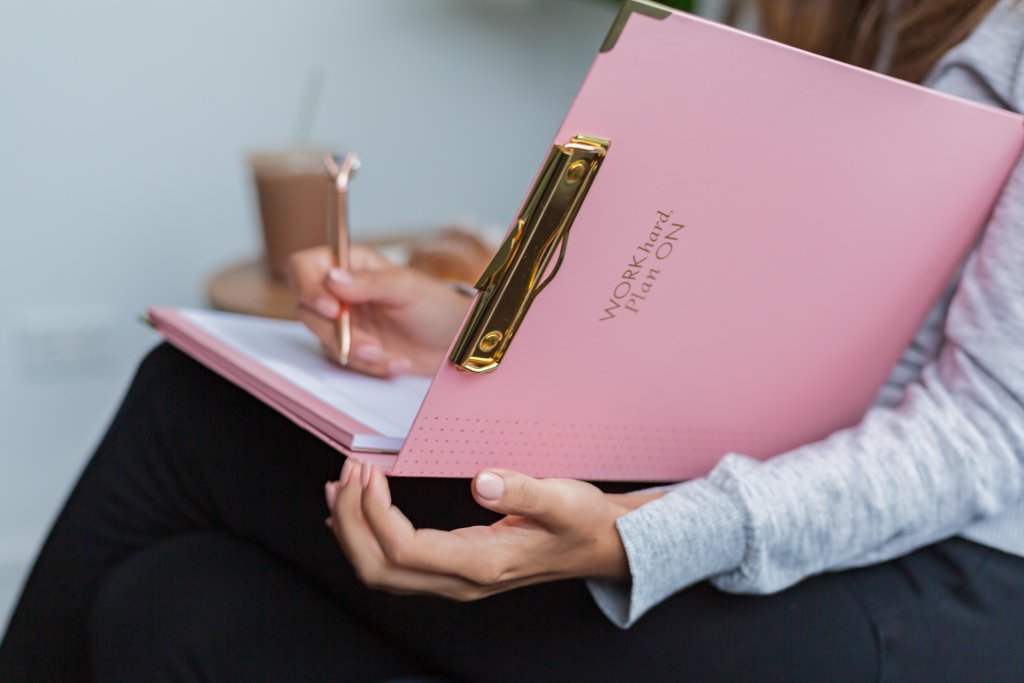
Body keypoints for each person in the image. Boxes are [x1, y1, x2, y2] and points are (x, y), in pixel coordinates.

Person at [3, 0, 1024, 680]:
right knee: (168, 609)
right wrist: (478, 326)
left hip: (944, 574)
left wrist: (643, 533)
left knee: (188, 408)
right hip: (778, 485)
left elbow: (985, 434)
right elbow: (763, 331)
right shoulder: (832, 17)